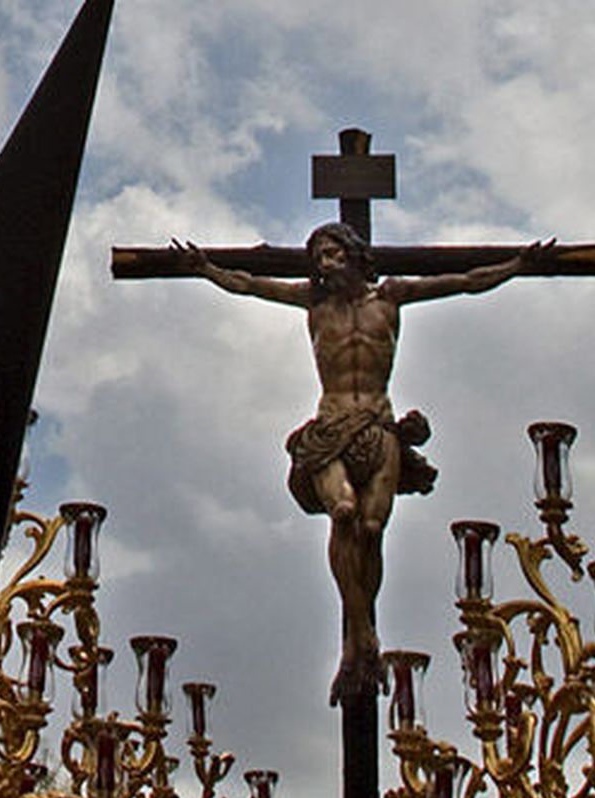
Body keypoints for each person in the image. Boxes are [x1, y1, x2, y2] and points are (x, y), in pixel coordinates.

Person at [172, 223, 555, 702]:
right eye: (318, 258)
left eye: (332, 254)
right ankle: (362, 635)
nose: (324, 264)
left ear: (353, 255)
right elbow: (249, 285)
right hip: (331, 426)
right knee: (344, 512)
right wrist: (206, 269)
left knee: (371, 528)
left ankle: (357, 644)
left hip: (378, 426)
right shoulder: (314, 305)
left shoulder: (391, 297)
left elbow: (466, 281)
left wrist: (518, 266)